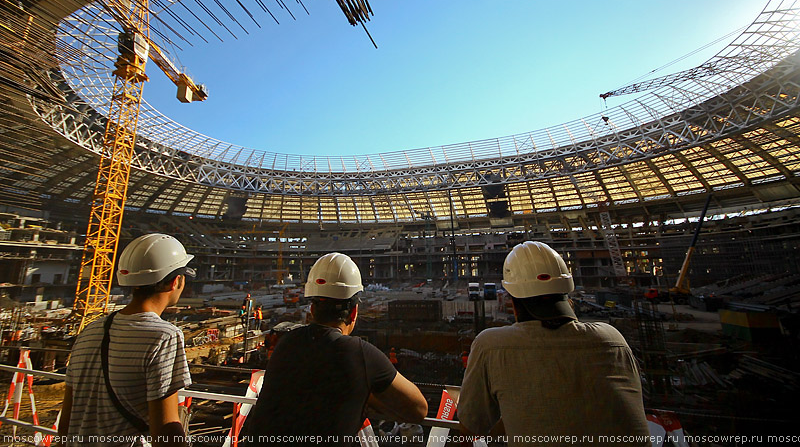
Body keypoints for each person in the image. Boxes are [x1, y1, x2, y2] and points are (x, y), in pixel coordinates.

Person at [458, 241, 650, 447]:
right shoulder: (613, 339)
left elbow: (470, 428)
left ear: (512, 301)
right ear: (567, 293)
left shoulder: (491, 345)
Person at [240, 252, 428, 446]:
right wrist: (364, 395)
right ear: (354, 312)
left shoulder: (285, 343)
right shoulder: (360, 354)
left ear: (312, 310)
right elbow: (419, 410)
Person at [59, 234, 195, 447]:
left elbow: (66, 420)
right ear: (176, 281)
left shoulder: (90, 331)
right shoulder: (164, 336)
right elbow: (165, 429)